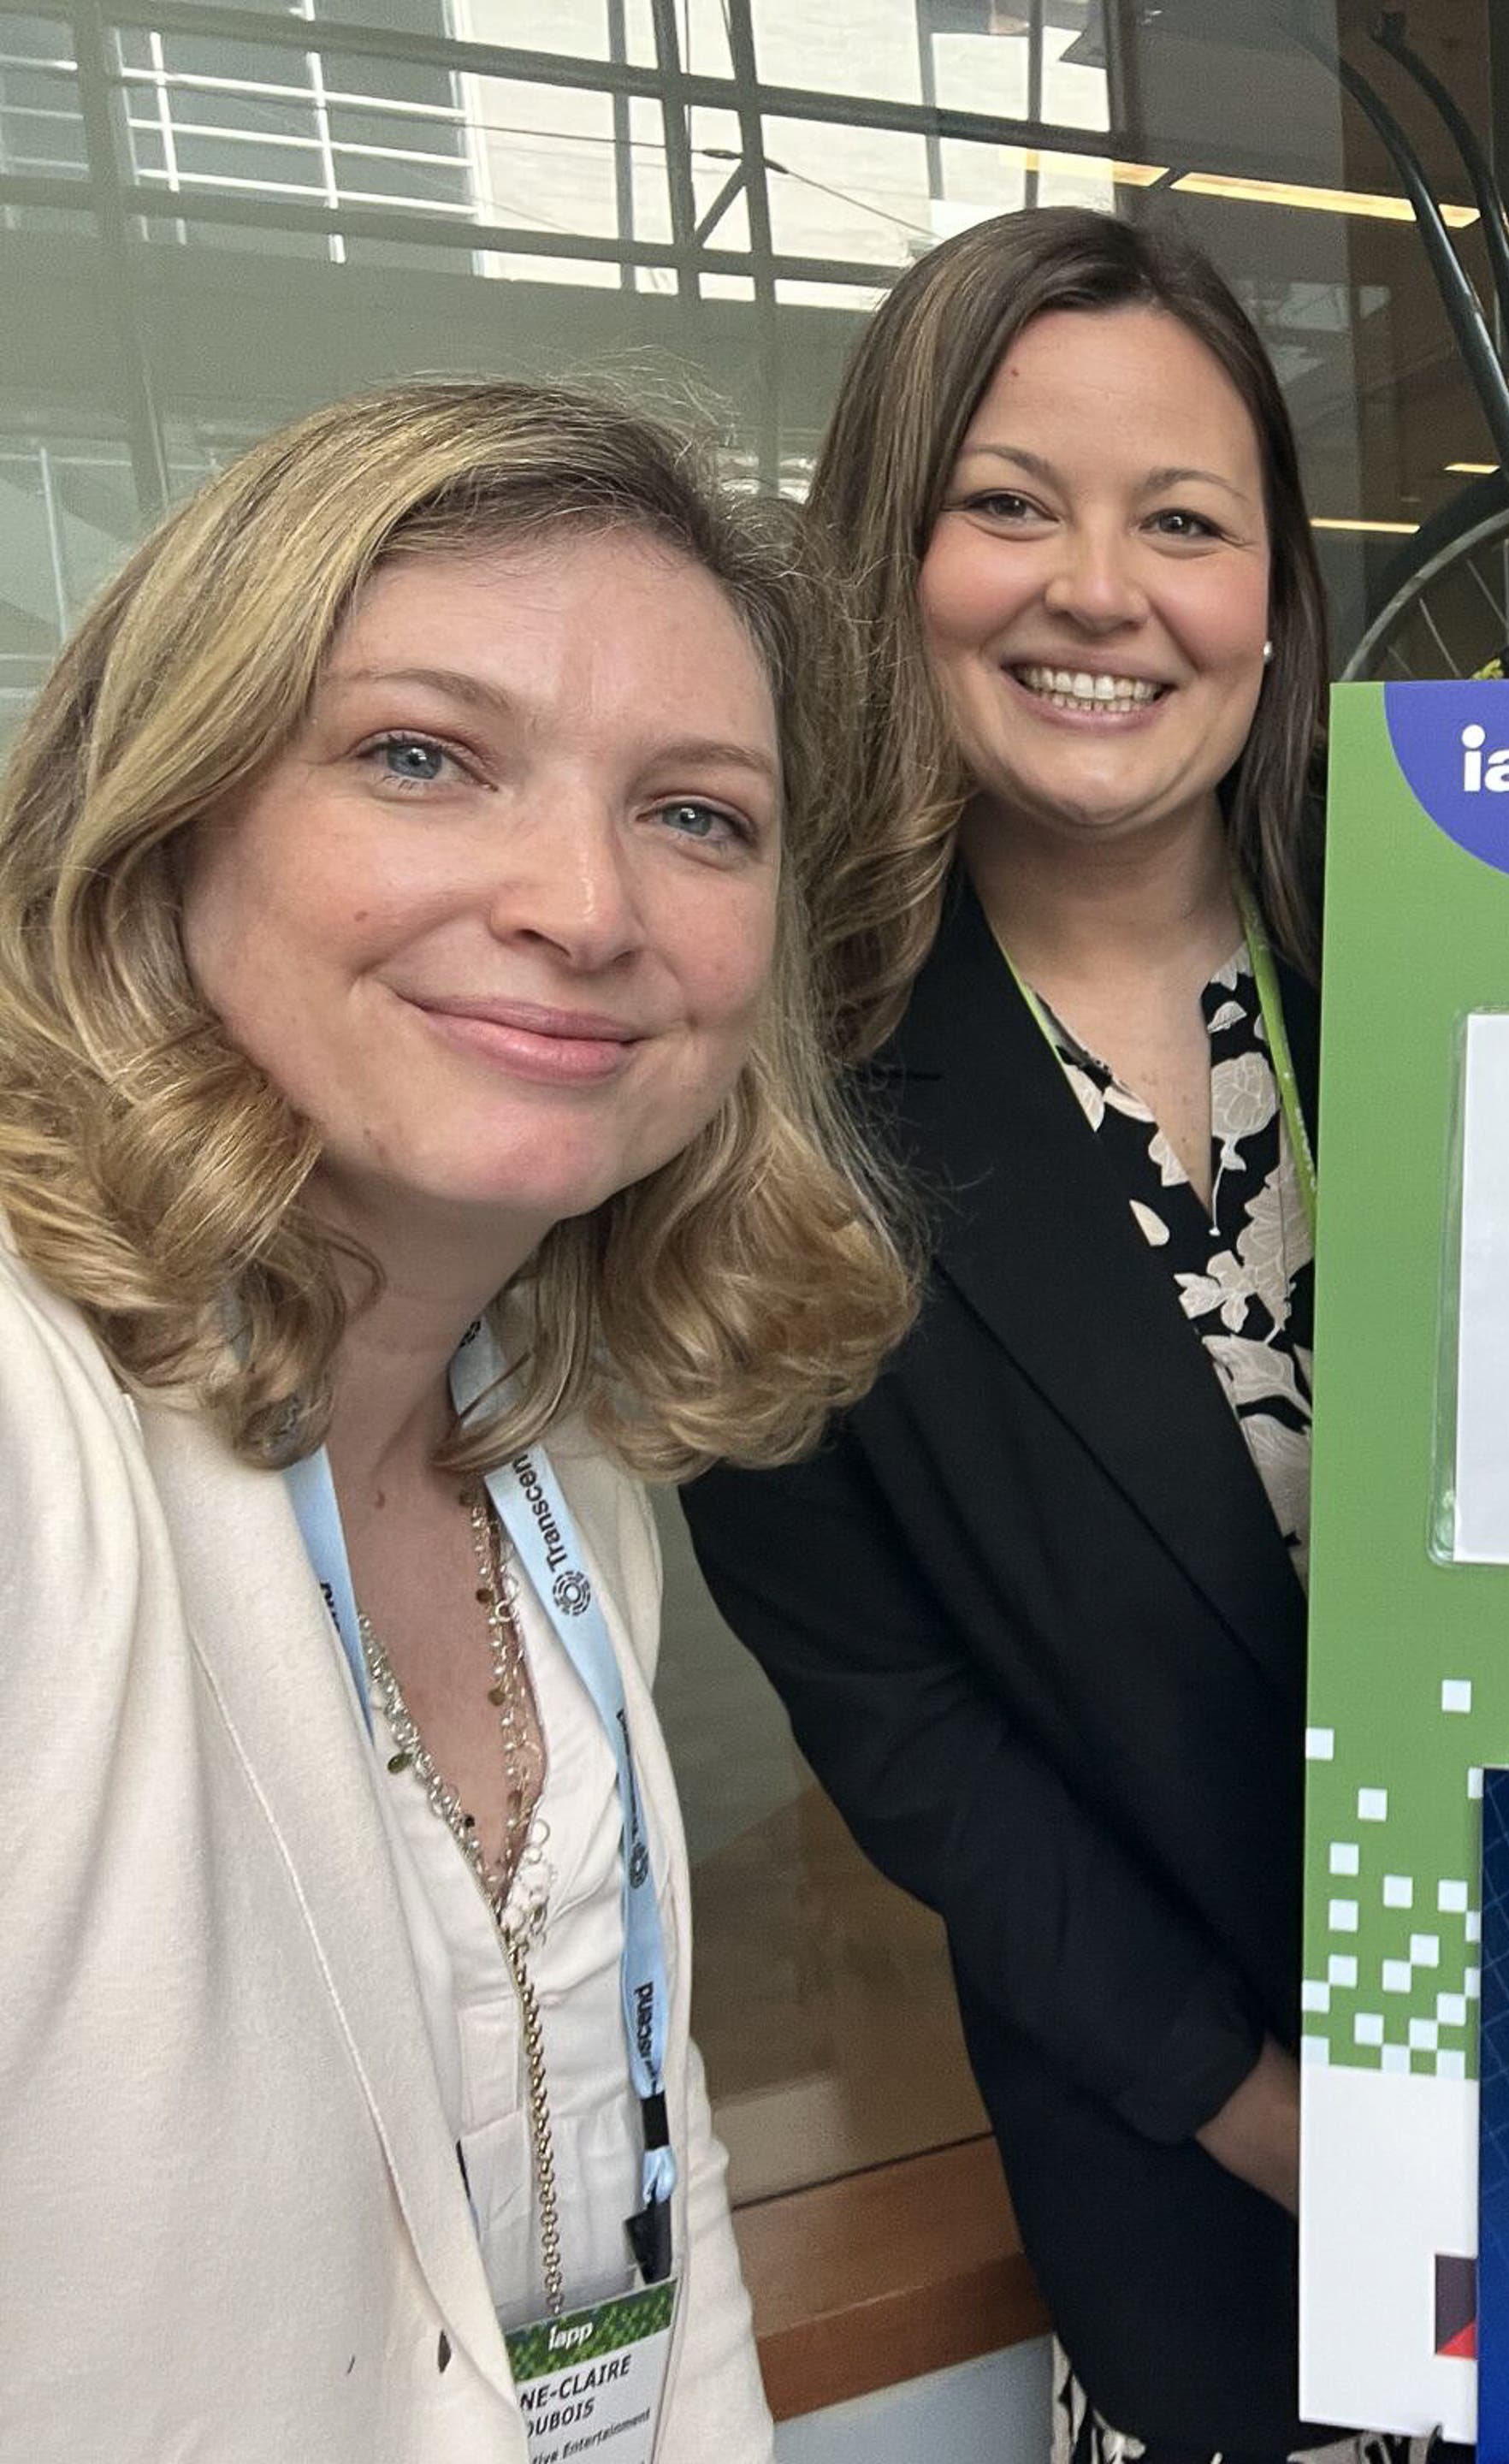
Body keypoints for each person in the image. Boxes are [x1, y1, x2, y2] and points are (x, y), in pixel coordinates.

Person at [0, 379, 914, 2458]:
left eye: (698, 815)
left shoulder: (562, 1465)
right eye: (423, 758)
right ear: (165, 816)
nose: (585, 908)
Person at [680, 209, 1340, 2464]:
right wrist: (1271, 2123)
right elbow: (912, 1735)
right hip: (1223, 2208)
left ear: (1274, 593)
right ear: (895, 557)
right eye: (1008, 506)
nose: (1100, 587)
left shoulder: (1487, 948)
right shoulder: (773, 1110)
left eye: (1184, 520)